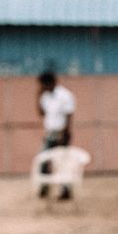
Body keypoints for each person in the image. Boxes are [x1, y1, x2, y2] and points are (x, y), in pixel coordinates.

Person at [37, 71, 76, 199]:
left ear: (50, 83)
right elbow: (42, 113)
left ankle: (65, 190)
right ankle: (45, 186)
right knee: (43, 160)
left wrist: (65, 135)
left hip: (61, 133)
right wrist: (37, 96)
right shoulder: (45, 96)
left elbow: (69, 116)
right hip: (49, 133)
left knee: (62, 162)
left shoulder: (65, 95)